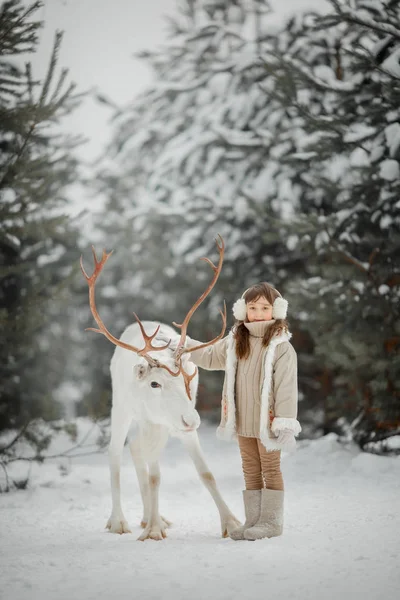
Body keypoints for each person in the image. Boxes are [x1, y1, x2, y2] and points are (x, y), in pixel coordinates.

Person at [183, 282, 301, 541]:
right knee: (250, 468)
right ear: (243, 311)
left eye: (264, 308)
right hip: (243, 420)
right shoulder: (236, 341)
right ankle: (254, 520)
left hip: (267, 422)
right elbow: (211, 357)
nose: (258, 313)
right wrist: (186, 346)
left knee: (270, 469)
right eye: (252, 307)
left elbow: (286, 388)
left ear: (276, 310)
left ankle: (271, 522)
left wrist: (283, 422)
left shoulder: (281, 347)